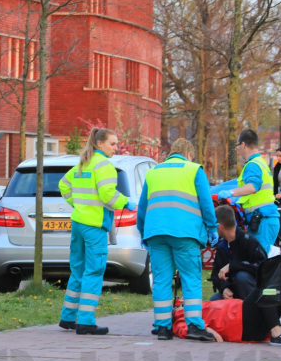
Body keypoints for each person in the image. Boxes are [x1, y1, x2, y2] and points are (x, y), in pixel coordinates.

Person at [136, 138, 218, 342]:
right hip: (185, 233)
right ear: (189, 154)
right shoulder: (193, 170)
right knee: (191, 278)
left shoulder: (153, 172)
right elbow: (206, 203)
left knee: (162, 280)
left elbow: (143, 205)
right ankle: (194, 326)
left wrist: (142, 230)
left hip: (155, 232)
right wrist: (212, 227)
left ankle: (162, 327)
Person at [58, 127, 132, 335]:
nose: (116, 148)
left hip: (79, 224)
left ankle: (68, 317)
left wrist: (79, 205)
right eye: (112, 144)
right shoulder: (105, 166)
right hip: (95, 226)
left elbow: (64, 185)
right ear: (100, 144)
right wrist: (127, 203)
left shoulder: (84, 163)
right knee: (94, 271)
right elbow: (109, 195)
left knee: (78, 270)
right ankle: (86, 321)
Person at [217, 129, 280, 252]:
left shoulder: (252, 165)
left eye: (238, 146)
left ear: (243, 145)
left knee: (259, 263)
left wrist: (231, 193)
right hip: (264, 220)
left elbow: (252, 187)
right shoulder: (261, 163)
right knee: (259, 261)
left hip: (262, 222)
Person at [172, 289, 281, 345]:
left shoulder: (190, 310)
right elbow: (185, 329)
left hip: (242, 318)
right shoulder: (179, 319)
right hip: (238, 319)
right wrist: (208, 329)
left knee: (280, 291)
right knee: (264, 290)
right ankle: (277, 334)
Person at [209, 205, 266, 302]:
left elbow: (263, 267)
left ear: (220, 226)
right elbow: (215, 274)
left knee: (242, 277)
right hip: (233, 291)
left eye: (214, 226)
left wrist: (233, 266)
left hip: (255, 291)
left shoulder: (248, 241)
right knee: (214, 300)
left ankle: (253, 312)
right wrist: (224, 288)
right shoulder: (222, 246)